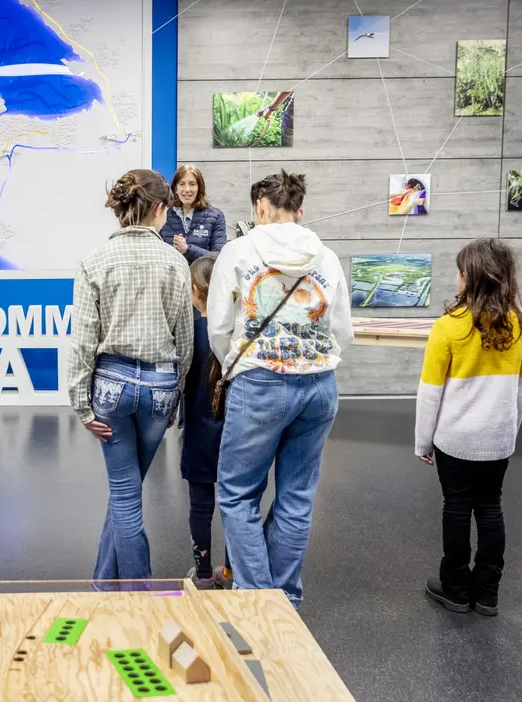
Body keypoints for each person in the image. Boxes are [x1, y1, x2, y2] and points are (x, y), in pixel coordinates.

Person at [208, 171, 353, 608]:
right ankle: (285, 597)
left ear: (260, 209)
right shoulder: (326, 258)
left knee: (237, 493)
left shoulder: (237, 251)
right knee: (296, 496)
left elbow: (218, 328)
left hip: (259, 383)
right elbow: (342, 330)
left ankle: (256, 598)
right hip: (320, 386)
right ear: (300, 210)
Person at [68, 169, 194, 581]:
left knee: (124, 494)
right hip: (159, 387)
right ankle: (111, 585)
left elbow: (84, 342)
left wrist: (82, 408)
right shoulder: (176, 262)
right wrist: (174, 397)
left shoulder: (92, 261)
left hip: (111, 387)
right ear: (158, 209)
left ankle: (128, 593)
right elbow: (185, 342)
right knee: (128, 492)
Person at [417, 239, 522, 617]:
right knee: (490, 508)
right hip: (498, 440)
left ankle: (454, 588)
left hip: (455, 440)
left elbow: (430, 393)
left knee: (456, 507)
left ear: (471, 279)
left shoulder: (448, 327)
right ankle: (487, 593)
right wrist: (509, 429)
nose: (456, 276)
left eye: (460, 271)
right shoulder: (519, 326)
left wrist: (423, 442)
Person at [181, 256, 232, 590]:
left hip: (198, 434)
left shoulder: (190, 334)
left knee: (201, 507)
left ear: (195, 291)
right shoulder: (234, 333)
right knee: (236, 504)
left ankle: (201, 573)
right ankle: (229, 572)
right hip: (234, 432)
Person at [160, 165, 227, 262]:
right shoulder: (164, 215)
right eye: (182, 184)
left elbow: (218, 257)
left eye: (192, 184)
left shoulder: (216, 216)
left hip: (201, 276)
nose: (187, 189)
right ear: (175, 188)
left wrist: (187, 249)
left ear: (200, 188)